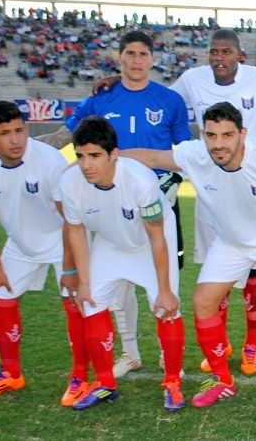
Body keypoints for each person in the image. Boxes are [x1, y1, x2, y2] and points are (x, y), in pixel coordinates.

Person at [119, 102, 256, 413]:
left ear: (242, 134)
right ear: (203, 135)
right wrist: (113, 157)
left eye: (227, 135)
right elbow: (154, 157)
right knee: (202, 301)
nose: (218, 143)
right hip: (233, 241)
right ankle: (222, 379)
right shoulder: (196, 154)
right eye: (211, 135)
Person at [37, 31, 192, 380]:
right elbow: (67, 135)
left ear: (152, 59)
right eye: (130, 54)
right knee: (117, 287)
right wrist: (39, 148)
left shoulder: (170, 100)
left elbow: (184, 154)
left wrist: (161, 173)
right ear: (119, 57)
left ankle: (169, 359)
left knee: (164, 281)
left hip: (156, 200)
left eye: (143, 54)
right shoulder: (102, 98)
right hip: (108, 203)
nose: (137, 60)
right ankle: (131, 352)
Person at [58, 117, 185, 411]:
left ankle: (172, 383)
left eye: (94, 155)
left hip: (149, 242)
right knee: (91, 302)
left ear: (113, 154)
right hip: (110, 242)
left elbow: (156, 236)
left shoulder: (140, 180)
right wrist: (84, 281)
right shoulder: (69, 182)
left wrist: (165, 289)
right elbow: (75, 230)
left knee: (166, 306)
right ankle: (105, 384)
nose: (86, 164)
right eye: (80, 156)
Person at [0, 101, 75, 403]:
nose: (15, 140)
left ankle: (80, 376)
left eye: (19, 130)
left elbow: (70, 219)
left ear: (27, 129)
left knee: (75, 304)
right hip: (20, 244)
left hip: (60, 240)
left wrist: (70, 268)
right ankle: (11, 374)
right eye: (5, 133)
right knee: (1, 296)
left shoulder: (49, 160)